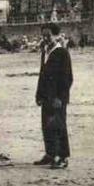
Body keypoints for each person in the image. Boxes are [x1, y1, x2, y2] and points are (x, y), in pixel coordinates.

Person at [35, 23, 74, 169]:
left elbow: (67, 78)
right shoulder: (45, 52)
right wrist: (38, 94)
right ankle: (50, 153)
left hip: (57, 98)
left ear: (56, 36)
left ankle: (62, 157)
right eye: (43, 35)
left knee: (58, 126)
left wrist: (61, 98)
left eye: (48, 36)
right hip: (46, 96)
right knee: (46, 125)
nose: (45, 38)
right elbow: (42, 75)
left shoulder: (62, 52)